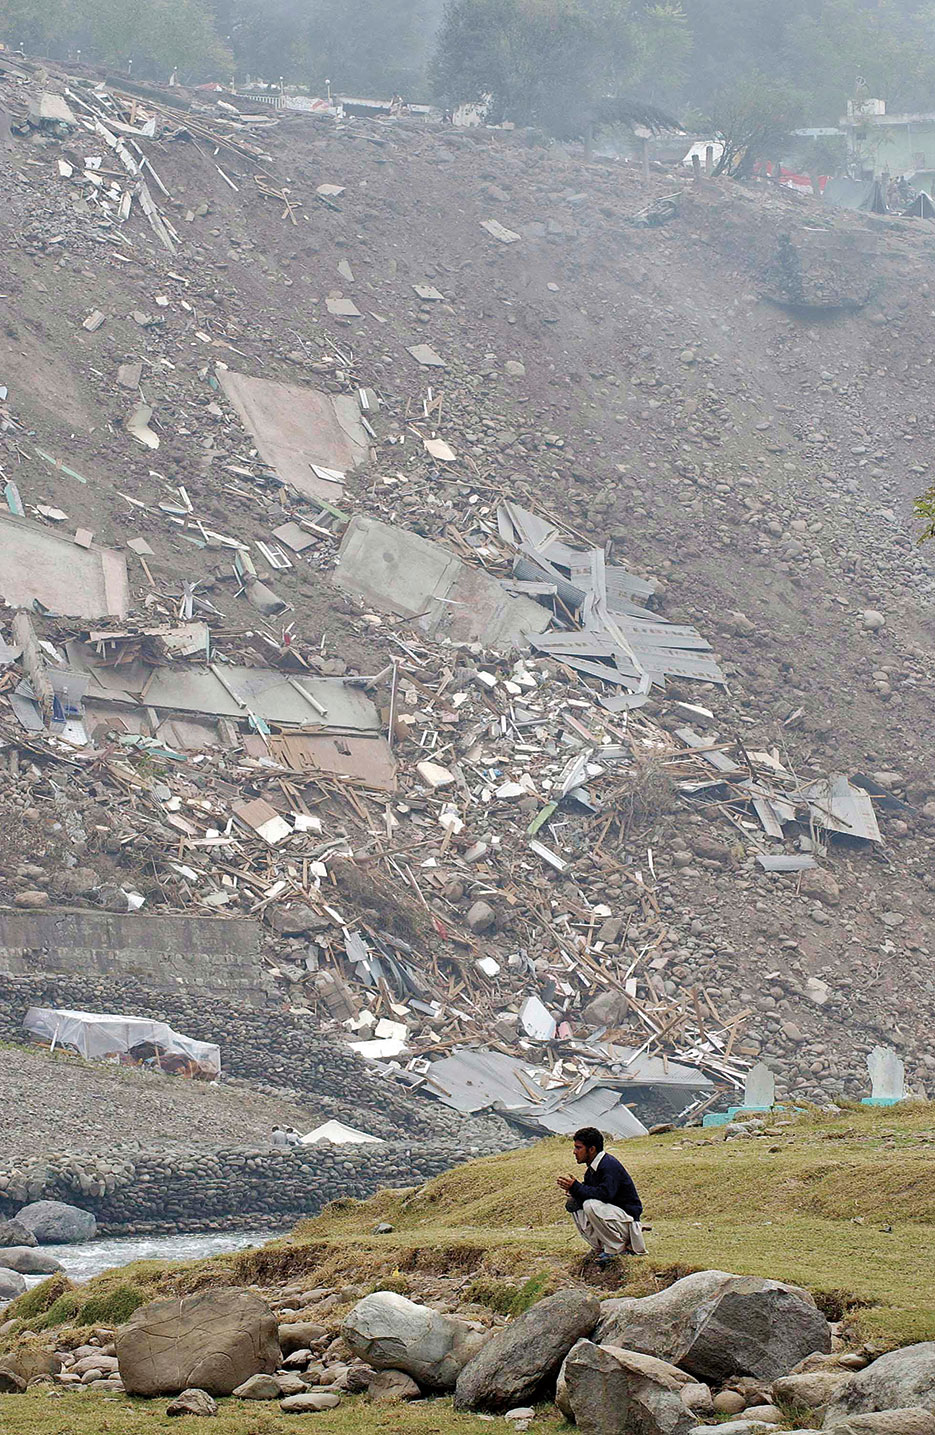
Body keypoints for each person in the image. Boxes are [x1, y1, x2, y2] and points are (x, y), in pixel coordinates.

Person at [557, 1126, 646, 1265]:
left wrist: (576, 1187)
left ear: (591, 1149)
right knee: (574, 1204)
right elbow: (588, 1192)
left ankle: (616, 1249)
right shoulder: (592, 1169)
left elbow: (605, 1195)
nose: (574, 1152)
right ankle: (602, 1247)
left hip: (627, 1221)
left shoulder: (609, 1165)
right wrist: (574, 1191)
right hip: (615, 1220)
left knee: (590, 1205)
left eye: (578, 1148)